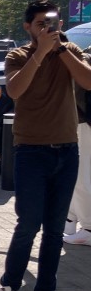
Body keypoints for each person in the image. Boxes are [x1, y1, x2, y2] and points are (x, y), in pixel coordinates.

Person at [0, 0, 91, 291]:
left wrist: (60, 50)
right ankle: (7, 289)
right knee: (28, 224)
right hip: (31, 151)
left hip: (66, 149)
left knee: (53, 230)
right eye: (40, 25)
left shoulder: (70, 50)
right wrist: (40, 52)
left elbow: (88, 81)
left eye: (52, 23)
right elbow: (16, 89)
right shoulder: (18, 56)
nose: (48, 29)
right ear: (28, 27)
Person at [64, 64, 91, 246]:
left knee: (81, 175)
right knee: (77, 173)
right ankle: (70, 219)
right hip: (82, 119)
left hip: (85, 120)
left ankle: (87, 228)